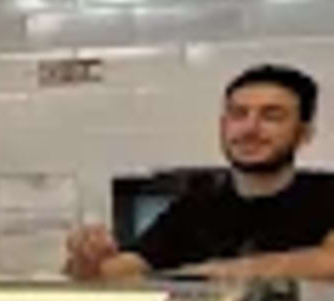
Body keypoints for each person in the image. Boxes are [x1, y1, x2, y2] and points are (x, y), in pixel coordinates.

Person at [67, 64, 334, 282]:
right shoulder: (194, 208)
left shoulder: (326, 195)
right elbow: (120, 272)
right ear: (223, 126)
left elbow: (327, 263)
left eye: (271, 116)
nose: (250, 128)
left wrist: (196, 275)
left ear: (303, 134)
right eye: (238, 114)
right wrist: (88, 260)